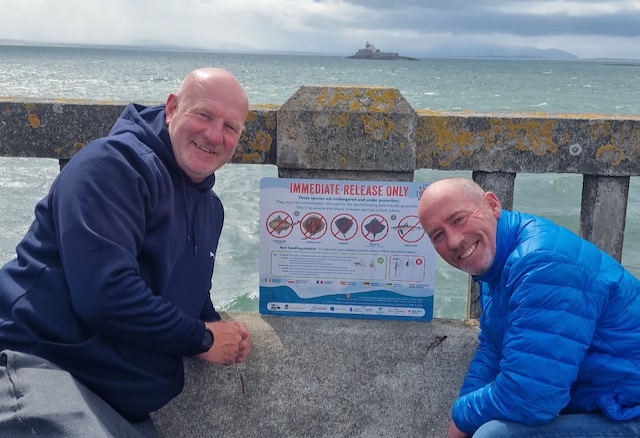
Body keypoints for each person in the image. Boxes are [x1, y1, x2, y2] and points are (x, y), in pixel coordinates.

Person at [0, 67, 252, 437]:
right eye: (203, 115)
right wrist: (203, 338)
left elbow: (181, 291)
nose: (215, 135)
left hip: (114, 397)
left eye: (231, 127)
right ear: (171, 108)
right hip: (38, 365)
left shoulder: (210, 208)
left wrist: (216, 324)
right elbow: (106, 294)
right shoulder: (111, 166)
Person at [417, 177, 640, 438]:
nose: (454, 241)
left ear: (492, 205)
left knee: (495, 435)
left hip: (630, 411)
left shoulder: (540, 263)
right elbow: (492, 349)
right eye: (438, 235)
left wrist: (462, 415)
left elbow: (533, 399)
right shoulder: (499, 264)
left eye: (458, 219)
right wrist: (462, 422)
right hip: (609, 403)